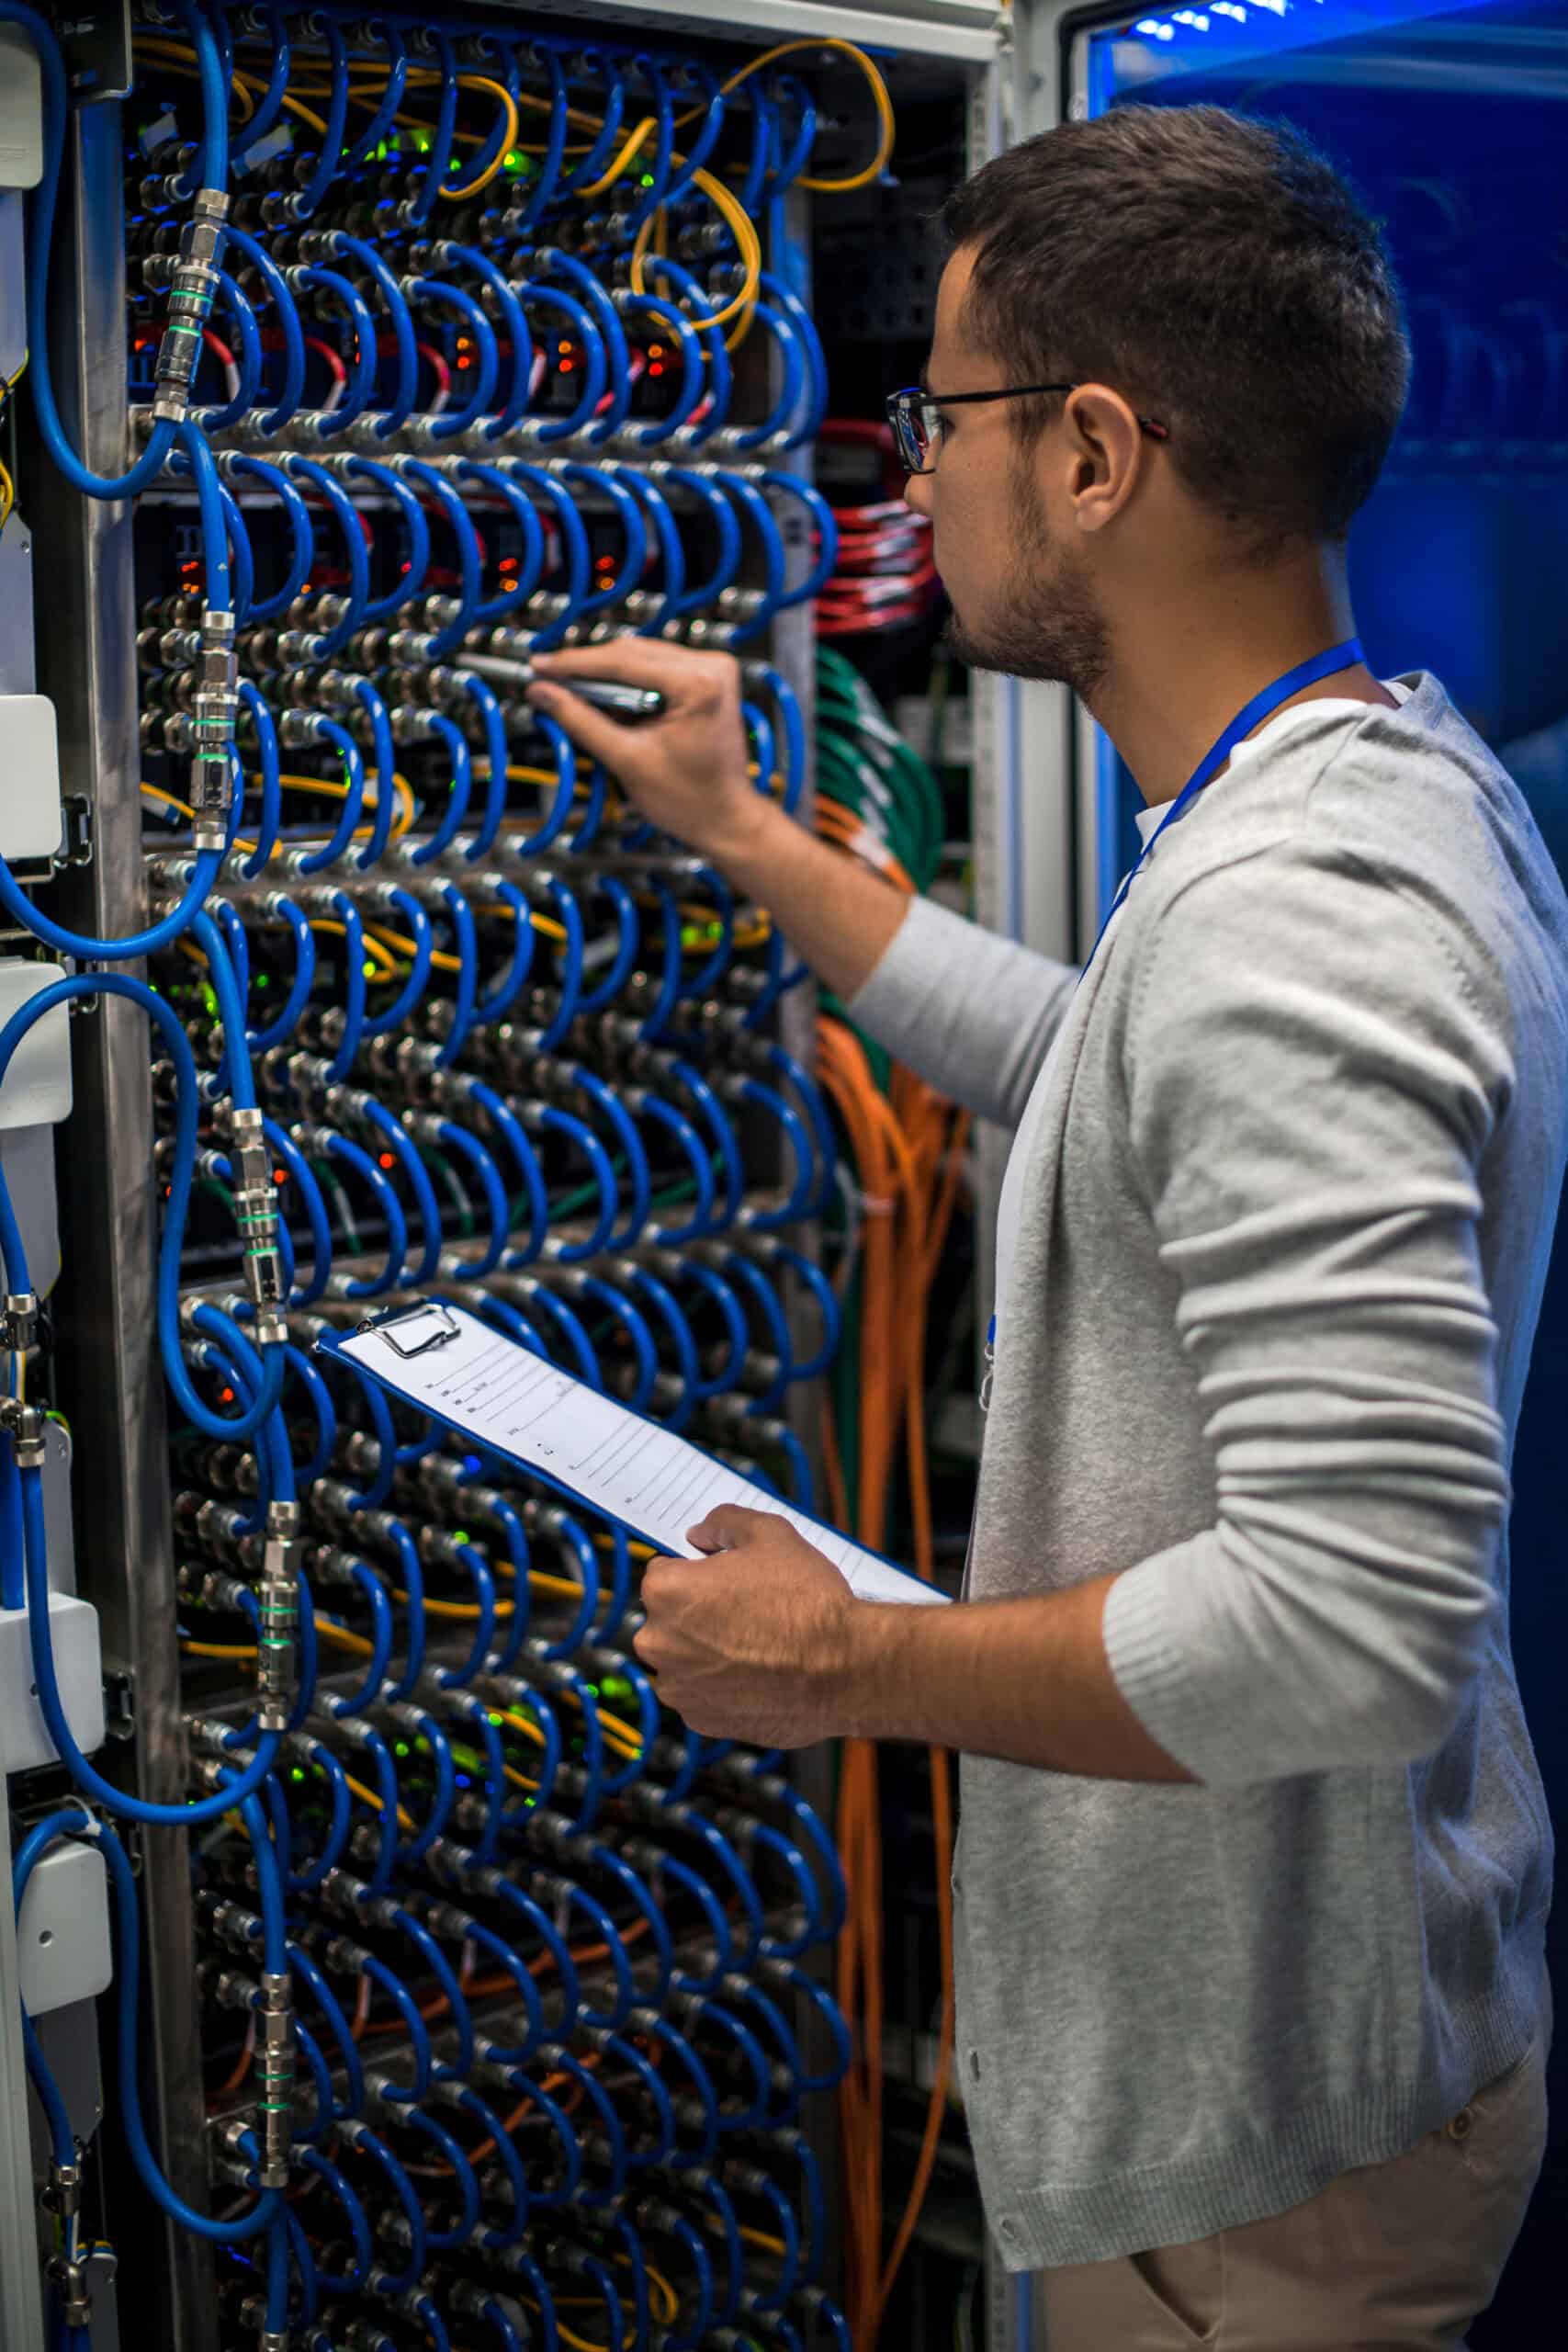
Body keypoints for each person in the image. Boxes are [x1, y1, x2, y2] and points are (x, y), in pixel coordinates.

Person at [523, 104, 1568, 2350]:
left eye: (949, 415)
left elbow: (1353, 1618)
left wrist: (853, 1662)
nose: (915, 478)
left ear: (1092, 452)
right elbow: (1120, 1068)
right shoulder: (1355, 778)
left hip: (1272, 2170)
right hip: (1289, 2087)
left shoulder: (1295, 916)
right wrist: (751, 838)